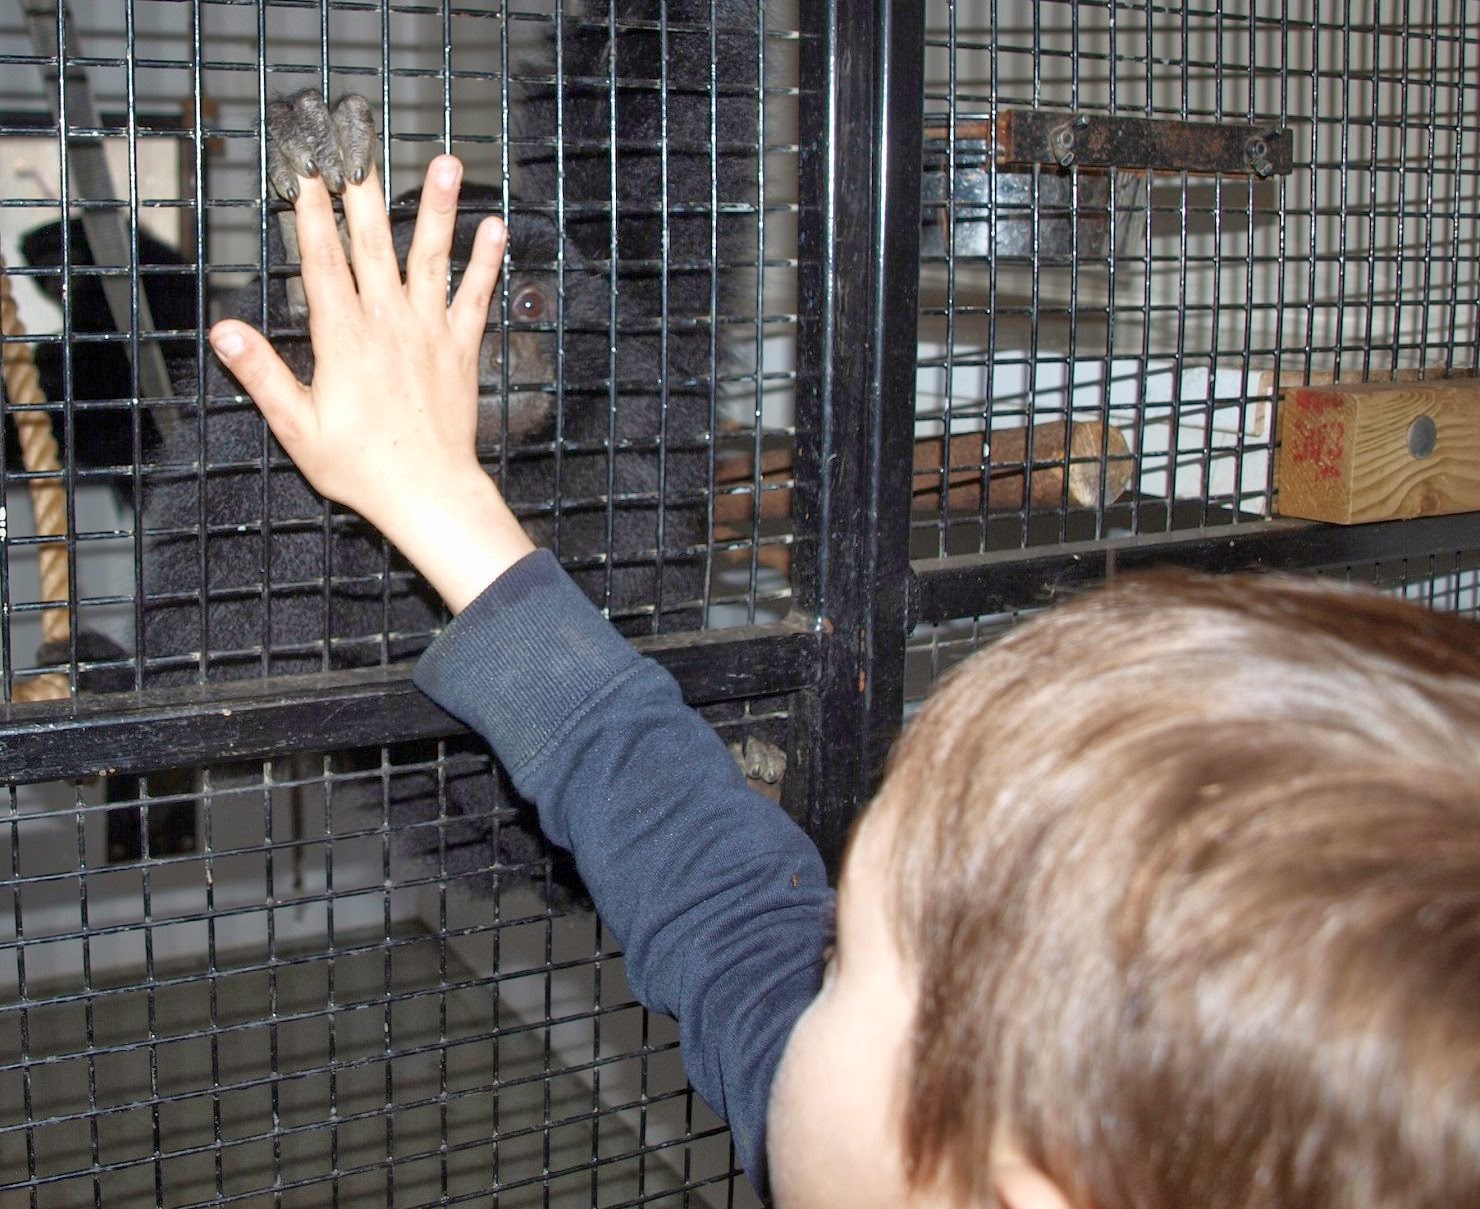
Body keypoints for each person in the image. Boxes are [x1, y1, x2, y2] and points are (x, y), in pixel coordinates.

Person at [208, 156, 1480, 1209]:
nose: (808, 961)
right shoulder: (899, 1131)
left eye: (859, 969)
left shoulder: (870, 1132)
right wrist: (440, 504)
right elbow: (717, 893)